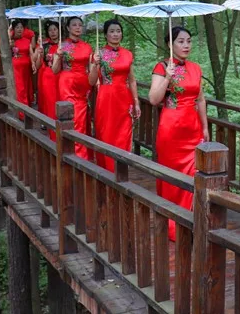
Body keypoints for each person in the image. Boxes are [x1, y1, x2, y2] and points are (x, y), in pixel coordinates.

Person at [148, 26, 208, 241]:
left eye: (188, 41)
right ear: (170, 44)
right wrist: (166, 77)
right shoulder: (161, 66)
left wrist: (205, 126)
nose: (186, 45)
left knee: (193, 177)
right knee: (173, 177)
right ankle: (172, 223)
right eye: (181, 41)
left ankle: (191, 221)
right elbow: (154, 99)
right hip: (171, 129)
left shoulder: (195, 68)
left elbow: (200, 98)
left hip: (192, 129)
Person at [90, 19, 140, 172]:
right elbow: (92, 81)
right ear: (105, 35)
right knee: (106, 133)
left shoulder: (128, 54)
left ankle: (122, 170)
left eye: (118, 31)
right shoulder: (98, 54)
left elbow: (132, 80)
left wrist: (136, 102)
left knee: (124, 134)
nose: (115, 34)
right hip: (106, 97)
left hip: (124, 98)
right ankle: (106, 170)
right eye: (111, 31)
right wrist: (95, 64)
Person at [53, 16, 93, 155]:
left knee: (82, 118)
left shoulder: (87, 46)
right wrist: (58, 56)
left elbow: (91, 68)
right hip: (67, 83)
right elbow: (55, 70)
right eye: (74, 25)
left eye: (80, 25)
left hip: (83, 84)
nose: (77, 27)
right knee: (72, 116)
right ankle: (74, 152)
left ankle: (82, 151)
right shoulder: (62, 46)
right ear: (68, 28)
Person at [34, 21, 60, 140]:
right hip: (48, 77)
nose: (53, 32)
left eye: (55, 29)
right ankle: (52, 128)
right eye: (50, 30)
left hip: (61, 77)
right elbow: (39, 65)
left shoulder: (64, 45)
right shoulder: (44, 46)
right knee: (50, 101)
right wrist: (39, 55)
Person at [10, 20, 35, 110]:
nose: (20, 29)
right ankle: (22, 110)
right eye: (17, 27)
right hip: (16, 67)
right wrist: (10, 40)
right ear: (13, 29)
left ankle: (27, 107)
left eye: (21, 27)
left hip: (26, 67)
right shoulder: (11, 41)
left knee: (26, 87)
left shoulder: (27, 40)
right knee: (20, 88)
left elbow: (31, 53)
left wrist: (33, 64)